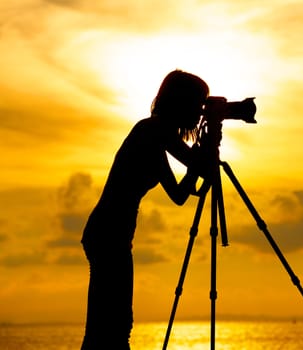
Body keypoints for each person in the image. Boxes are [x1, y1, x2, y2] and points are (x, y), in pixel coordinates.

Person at [80, 70, 211, 349]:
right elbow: (192, 163)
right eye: (199, 104)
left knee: (110, 325)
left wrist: (201, 160)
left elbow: (178, 194)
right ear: (182, 102)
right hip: (108, 235)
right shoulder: (154, 129)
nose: (201, 112)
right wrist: (205, 151)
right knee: (113, 326)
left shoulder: (154, 134)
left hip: (111, 235)